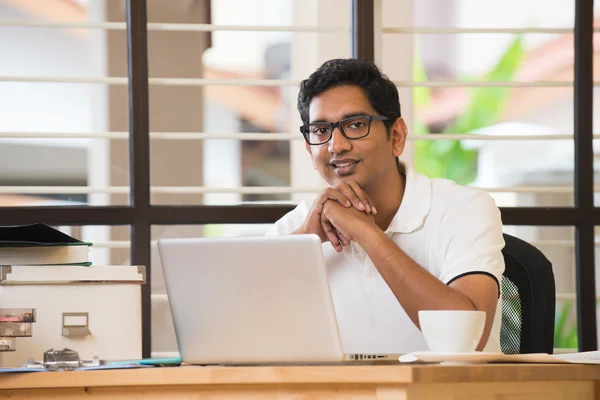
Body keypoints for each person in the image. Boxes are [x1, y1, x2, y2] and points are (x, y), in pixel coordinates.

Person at [267, 58, 505, 354]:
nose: (336, 145)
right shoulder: (297, 228)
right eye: (320, 131)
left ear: (396, 136)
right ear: (308, 149)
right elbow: (237, 327)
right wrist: (306, 240)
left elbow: (466, 340)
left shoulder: (465, 209)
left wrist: (367, 233)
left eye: (355, 125)